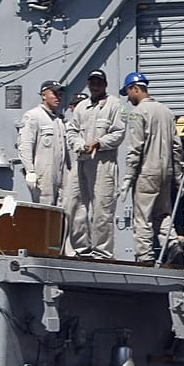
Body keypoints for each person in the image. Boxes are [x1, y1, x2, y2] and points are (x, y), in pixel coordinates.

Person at [121, 72, 183, 265]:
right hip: (166, 172)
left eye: (128, 92)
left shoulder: (139, 113)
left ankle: (145, 256)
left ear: (135, 89)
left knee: (143, 216)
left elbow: (136, 147)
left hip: (146, 171)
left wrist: (129, 176)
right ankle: (173, 244)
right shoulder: (166, 112)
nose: (128, 97)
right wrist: (178, 175)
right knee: (163, 213)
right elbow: (177, 146)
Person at [66, 70, 127, 259]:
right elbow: (72, 131)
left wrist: (98, 143)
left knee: (102, 208)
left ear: (105, 84)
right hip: (81, 161)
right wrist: (78, 144)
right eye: (92, 82)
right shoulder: (81, 107)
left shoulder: (116, 105)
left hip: (103, 163)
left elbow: (119, 133)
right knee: (73, 205)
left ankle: (102, 252)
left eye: (99, 82)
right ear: (88, 84)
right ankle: (81, 249)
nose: (95, 85)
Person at [16, 80, 68, 206]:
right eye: (54, 94)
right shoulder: (33, 116)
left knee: (61, 211)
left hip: (60, 174)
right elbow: (25, 145)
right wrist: (30, 171)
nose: (58, 97)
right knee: (45, 209)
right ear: (44, 95)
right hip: (43, 176)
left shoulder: (59, 120)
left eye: (60, 94)